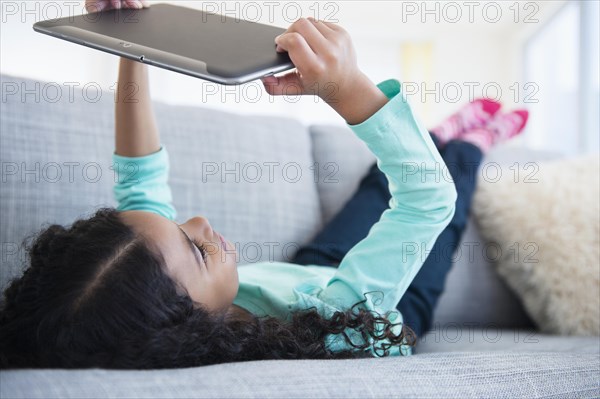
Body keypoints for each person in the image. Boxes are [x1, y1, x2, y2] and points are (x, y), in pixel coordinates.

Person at [0, 0, 527, 369]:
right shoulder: (345, 326)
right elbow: (427, 199)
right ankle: (474, 143)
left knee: (375, 187)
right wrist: (346, 89)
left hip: (309, 271)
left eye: (179, 225)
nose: (203, 222)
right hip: (384, 305)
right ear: (189, 331)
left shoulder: (185, 309)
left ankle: (444, 133)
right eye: (198, 250)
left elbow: (140, 182)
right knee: (447, 198)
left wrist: (129, 47)